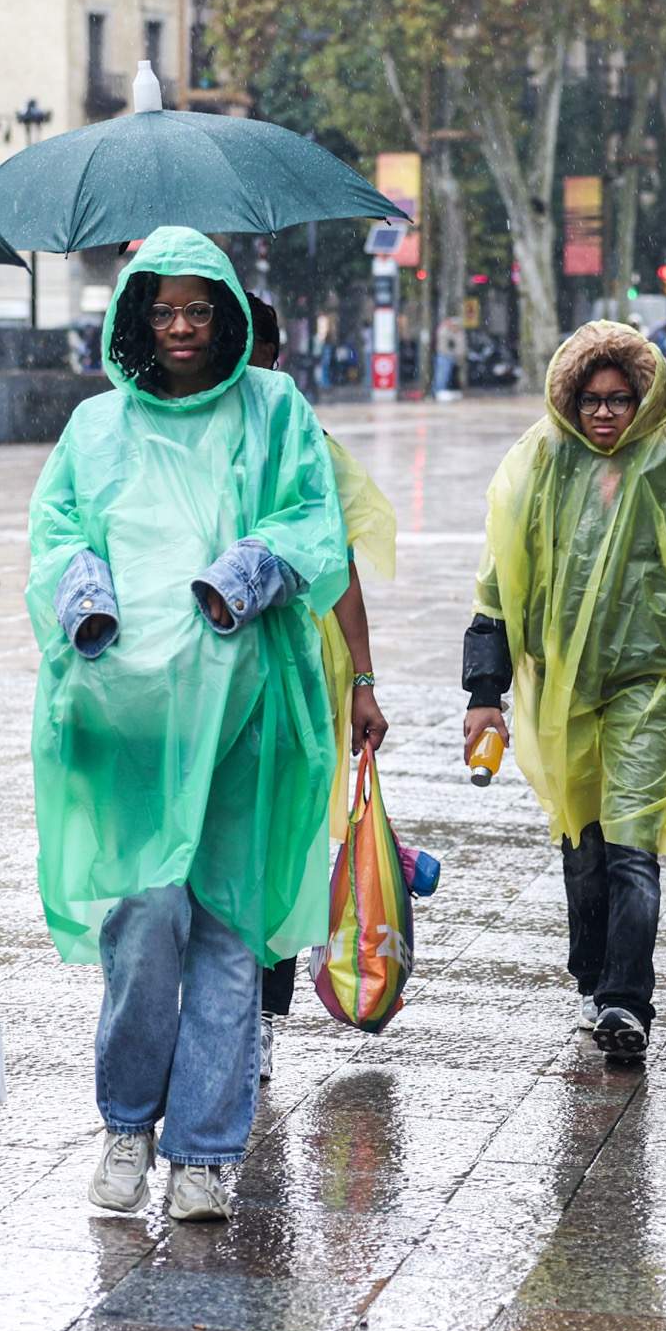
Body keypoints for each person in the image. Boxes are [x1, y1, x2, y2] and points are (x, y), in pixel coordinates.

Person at [28, 228, 347, 1222]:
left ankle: (205, 1150)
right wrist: (87, 604)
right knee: (142, 923)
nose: (179, 327)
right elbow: (54, 536)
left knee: (225, 930)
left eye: (198, 309)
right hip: (130, 718)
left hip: (246, 715)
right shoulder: (94, 428)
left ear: (226, 316)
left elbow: (315, 523)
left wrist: (243, 574)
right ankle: (127, 1126)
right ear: (132, 315)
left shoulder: (274, 408)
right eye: (161, 309)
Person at [463, 321, 666, 1058]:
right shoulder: (541, 461)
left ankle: (628, 999)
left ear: (645, 398)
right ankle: (595, 977)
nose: (604, 413)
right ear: (571, 399)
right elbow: (500, 582)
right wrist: (484, 690)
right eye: (592, 400)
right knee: (583, 839)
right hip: (563, 688)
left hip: (652, 683)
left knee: (633, 840)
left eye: (620, 399)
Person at [244, 292, 393, 1080]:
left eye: (251, 346)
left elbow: (339, 571)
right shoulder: (181, 441)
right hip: (211, 674)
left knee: (283, 848)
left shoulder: (310, 446)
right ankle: (218, 1006)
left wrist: (363, 680)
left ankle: (263, 1019)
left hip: (302, 671)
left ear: (275, 355)